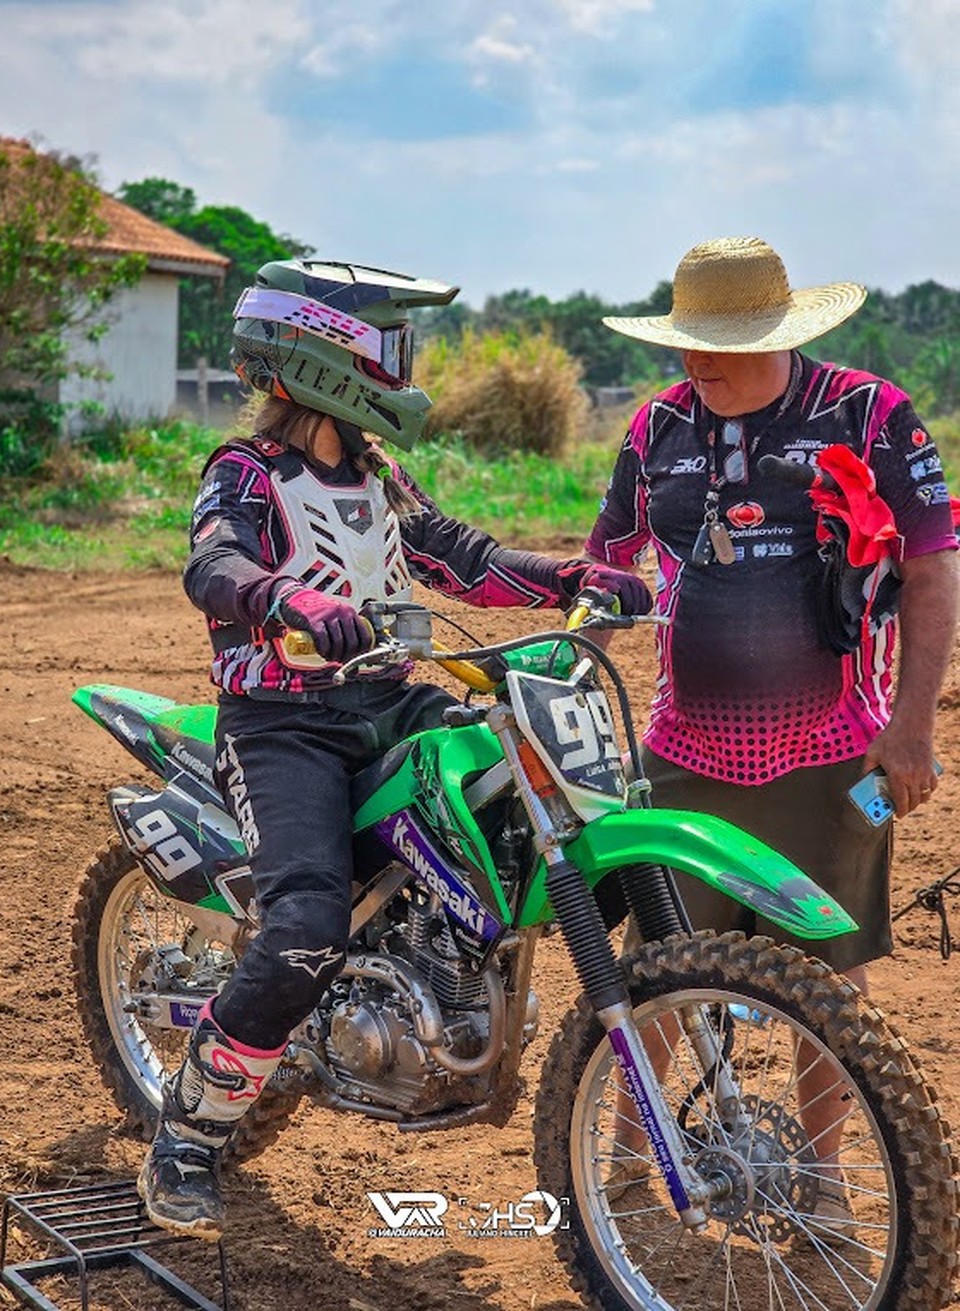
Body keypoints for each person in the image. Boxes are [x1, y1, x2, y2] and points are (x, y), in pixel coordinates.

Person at [138, 257, 652, 1240]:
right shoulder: (244, 472)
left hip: (387, 700)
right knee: (304, 927)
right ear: (321, 358)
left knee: (514, 792)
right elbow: (213, 563)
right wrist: (287, 597)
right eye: (387, 346)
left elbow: (460, 556)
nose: (401, 365)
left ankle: (448, 988)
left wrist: (571, 577)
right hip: (282, 727)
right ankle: (188, 1139)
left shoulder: (375, 472)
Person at [586, 236, 959, 1230]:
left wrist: (913, 727)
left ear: (774, 336)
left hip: (835, 755)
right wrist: (568, 657)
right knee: (659, 963)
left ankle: (824, 1181)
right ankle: (625, 1163)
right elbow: (607, 567)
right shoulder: (656, 427)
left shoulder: (867, 415)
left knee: (827, 974)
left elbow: (933, 569)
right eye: (685, 341)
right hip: (683, 755)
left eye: (716, 344)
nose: (692, 361)